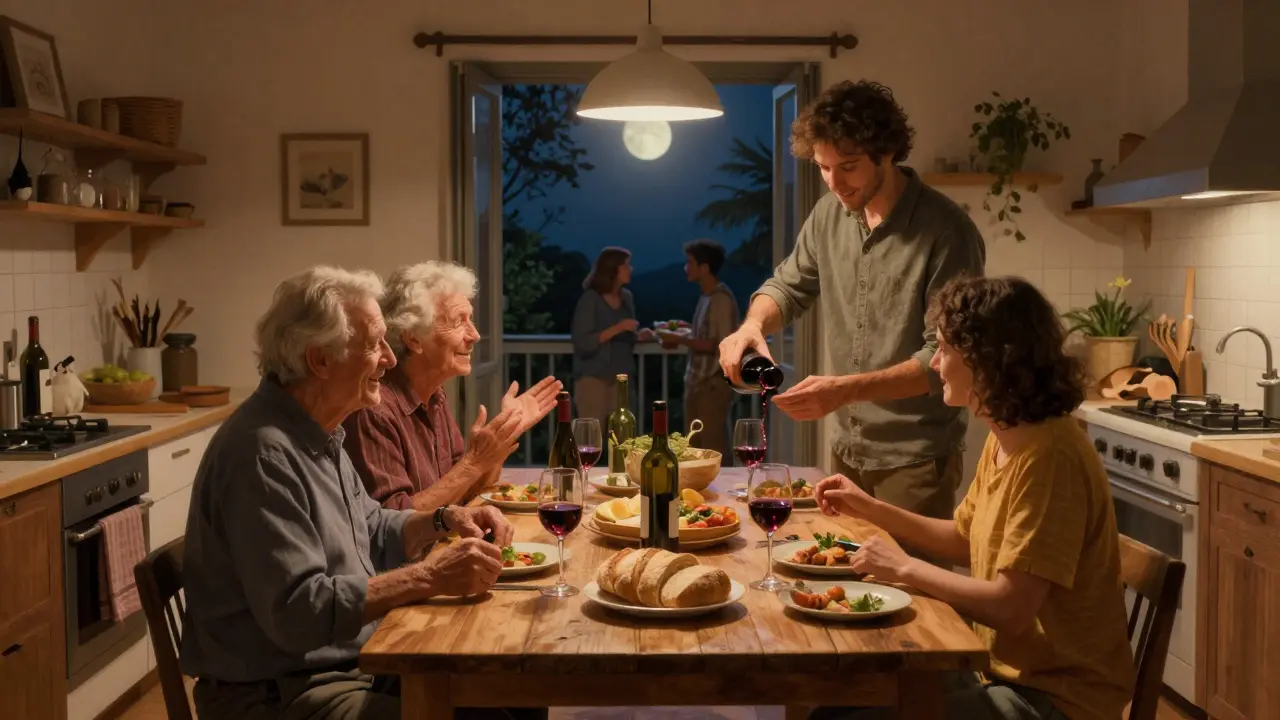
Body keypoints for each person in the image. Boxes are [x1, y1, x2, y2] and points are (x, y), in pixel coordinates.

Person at [181, 266, 522, 720]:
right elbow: (299, 612)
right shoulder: (263, 455)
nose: (390, 358)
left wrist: (444, 520)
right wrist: (429, 577)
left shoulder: (318, 432)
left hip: (344, 664)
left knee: (510, 692)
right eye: (374, 344)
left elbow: (373, 524)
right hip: (281, 694)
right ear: (320, 360)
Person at [811, 276, 1136, 720]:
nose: (936, 364)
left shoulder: (1050, 456)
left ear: (989, 360)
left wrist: (904, 567)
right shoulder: (1008, 433)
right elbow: (965, 539)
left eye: (944, 350)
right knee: (835, 704)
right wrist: (868, 506)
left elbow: (1012, 607)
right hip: (998, 671)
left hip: (1055, 699)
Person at [719, 80, 986, 521]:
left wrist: (843, 390)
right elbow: (787, 287)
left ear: (887, 153)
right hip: (846, 451)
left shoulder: (947, 231)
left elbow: (943, 358)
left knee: (909, 586)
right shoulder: (829, 214)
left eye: (848, 167)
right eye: (823, 168)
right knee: (843, 583)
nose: (835, 183)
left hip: (915, 460)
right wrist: (751, 327)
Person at [344, 261, 561, 510]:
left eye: (471, 320)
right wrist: (474, 461)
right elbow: (395, 523)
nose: (475, 335)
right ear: (413, 337)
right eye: (459, 321)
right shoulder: (374, 410)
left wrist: (503, 436)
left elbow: (466, 491)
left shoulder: (434, 395)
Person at [659, 239, 739, 456]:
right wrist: (684, 330)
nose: (686, 267)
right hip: (698, 382)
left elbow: (719, 344)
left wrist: (679, 340)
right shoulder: (707, 296)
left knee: (713, 447)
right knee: (694, 445)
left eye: (690, 262)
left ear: (704, 268)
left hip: (711, 384)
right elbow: (705, 333)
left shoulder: (720, 299)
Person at [571, 247, 653, 428]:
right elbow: (583, 342)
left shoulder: (627, 298)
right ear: (612, 269)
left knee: (623, 439)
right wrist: (618, 327)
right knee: (590, 438)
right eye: (626, 265)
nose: (630, 269)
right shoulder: (590, 299)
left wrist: (639, 336)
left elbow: (626, 337)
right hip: (594, 379)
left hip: (622, 380)